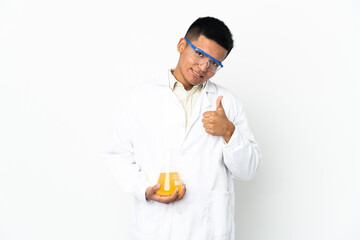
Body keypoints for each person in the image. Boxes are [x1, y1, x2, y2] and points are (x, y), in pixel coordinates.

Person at [103, 16, 261, 240]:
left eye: (215, 63)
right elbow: (117, 156)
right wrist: (143, 188)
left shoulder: (228, 103)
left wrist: (229, 132)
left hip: (208, 230)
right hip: (155, 227)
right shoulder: (138, 99)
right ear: (181, 45)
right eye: (199, 54)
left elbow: (248, 170)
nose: (204, 67)